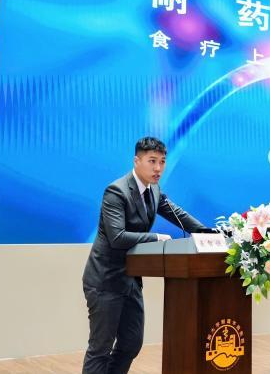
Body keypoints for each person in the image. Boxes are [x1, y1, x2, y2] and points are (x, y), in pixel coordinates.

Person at [82, 136, 210, 373]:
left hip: (130, 279)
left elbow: (177, 214)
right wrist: (155, 237)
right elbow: (117, 237)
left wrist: (208, 232)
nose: (158, 168)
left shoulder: (154, 190)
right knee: (100, 348)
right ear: (137, 161)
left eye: (162, 161)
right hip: (105, 280)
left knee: (131, 343)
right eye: (152, 161)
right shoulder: (116, 191)